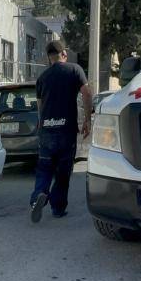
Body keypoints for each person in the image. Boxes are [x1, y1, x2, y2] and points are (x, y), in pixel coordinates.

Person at [30, 40, 92, 223]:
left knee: (44, 169)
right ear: (63, 54)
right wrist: (88, 119)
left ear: (49, 58)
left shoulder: (42, 78)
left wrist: (42, 126)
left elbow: (40, 108)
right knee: (63, 172)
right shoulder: (74, 70)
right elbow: (87, 93)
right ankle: (57, 208)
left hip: (47, 131)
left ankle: (39, 195)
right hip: (66, 131)